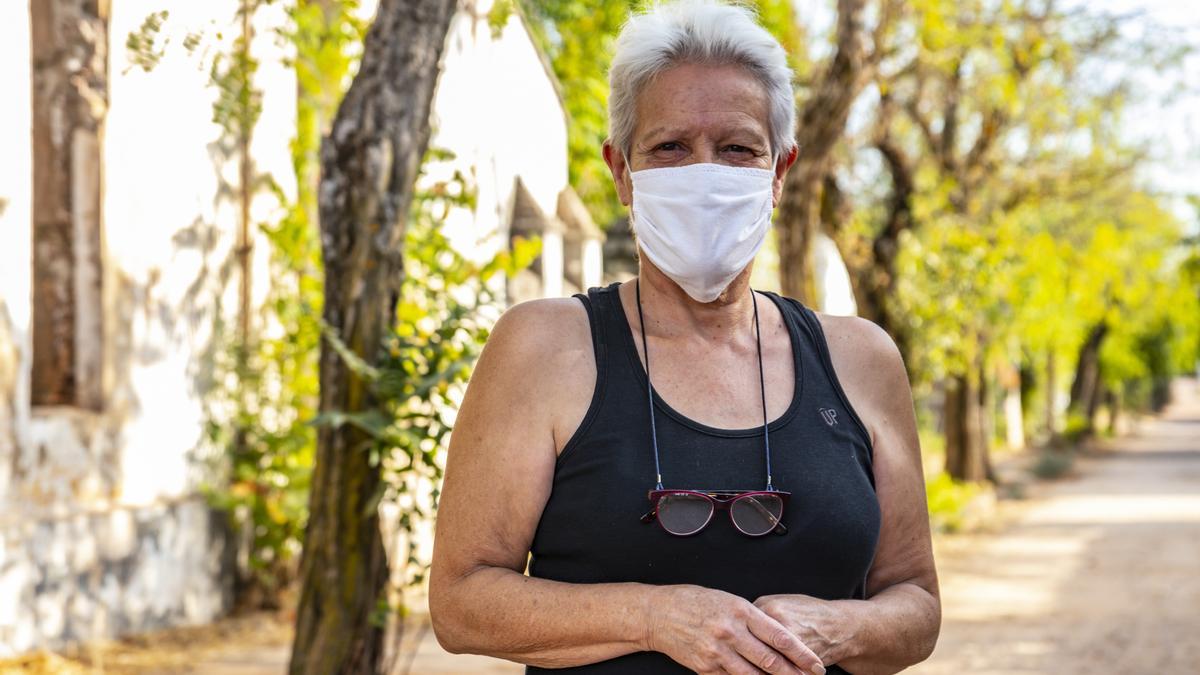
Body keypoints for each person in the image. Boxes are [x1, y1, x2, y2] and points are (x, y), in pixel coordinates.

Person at [429, 1, 940, 673]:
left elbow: (918, 601)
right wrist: (656, 615)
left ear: (779, 172)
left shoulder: (860, 359)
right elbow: (461, 601)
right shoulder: (545, 349)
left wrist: (838, 626)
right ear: (621, 171)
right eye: (671, 147)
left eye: (737, 149)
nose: (705, 175)